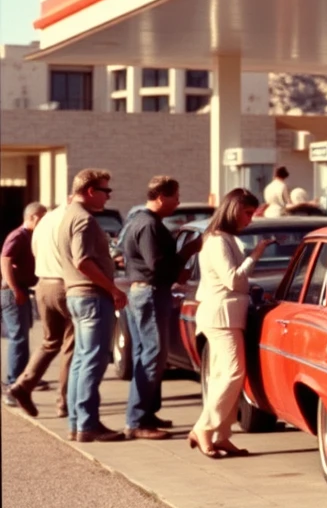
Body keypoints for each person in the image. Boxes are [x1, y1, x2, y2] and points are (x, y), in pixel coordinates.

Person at [188, 188, 274, 459]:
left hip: (226, 315)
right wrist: (255, 255)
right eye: (247, 213)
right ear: (234, 208)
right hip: (221, 315)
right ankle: (204, 428)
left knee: (221, 377)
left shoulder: (222, 239)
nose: (249, 220)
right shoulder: (217, 241)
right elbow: (234, 281)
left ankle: (222, 435)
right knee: (234, 373)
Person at [119, 176, 202, 440]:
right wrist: (186, 253)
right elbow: (158, 265)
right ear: (160, 197)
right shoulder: (148, 224)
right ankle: (137, 420)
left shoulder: (140, 221)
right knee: (152, 356)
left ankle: (147, 412)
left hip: (145, 291)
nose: (178, 202)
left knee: (146, 354)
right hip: (150, 292)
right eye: (175, 196)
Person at [57, 169, 128, 442]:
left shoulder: (68, 216)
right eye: (105, 191)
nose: (108, 196)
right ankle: (87, 424)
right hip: (91, 296)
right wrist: (112, 288)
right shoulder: (84, 220)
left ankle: (79, 424)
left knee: (82, 361)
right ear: (90, 191)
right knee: (92, 362)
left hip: (78, 296)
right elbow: (82, 260)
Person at [8, 198, 76, 418]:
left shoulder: (43, 225)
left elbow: (36, 254)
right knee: (70, 345)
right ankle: (64, 402)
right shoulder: (69, 220)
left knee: (50, 342)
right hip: (61, 285)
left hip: (42, 285)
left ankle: (22, 385)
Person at [2, 202, 47, 404]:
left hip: (22, 289)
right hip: (13, 292)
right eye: (42, 217)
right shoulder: (18, 236)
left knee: (23, 335)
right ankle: (13, 384)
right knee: (18, 337)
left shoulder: (31, 236)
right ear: (33, 217)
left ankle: (24, 379)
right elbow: (4, 260)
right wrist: (14, 289)